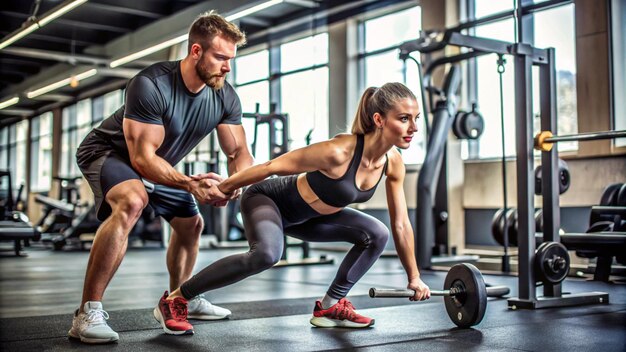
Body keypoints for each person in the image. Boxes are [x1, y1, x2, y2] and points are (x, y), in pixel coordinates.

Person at [154, 82, 432, 335]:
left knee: (377, 233)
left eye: (416, 119)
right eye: (404, 119)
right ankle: (176, 298)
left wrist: (414, 277)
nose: (414, 128)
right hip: (268, 200)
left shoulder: (393, 163)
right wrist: (224, 188)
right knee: (266, 254)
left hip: (309, 218)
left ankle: (330, 306)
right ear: (379, 120)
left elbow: (401, 224)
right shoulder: (338, 151)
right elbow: (270, 167)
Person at [69, 12, 253, 344]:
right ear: (196, 51)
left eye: (231, 59)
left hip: (159, 163)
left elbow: (238, 152)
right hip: (109, 153)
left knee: (190, 224)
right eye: (221, 57)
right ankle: (86, 313)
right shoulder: (151, 84)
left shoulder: (224, 95)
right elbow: (141, 159)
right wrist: (191, 184)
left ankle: (182, 298)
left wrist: (233, 185)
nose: (228, 67)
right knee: (132, 200)